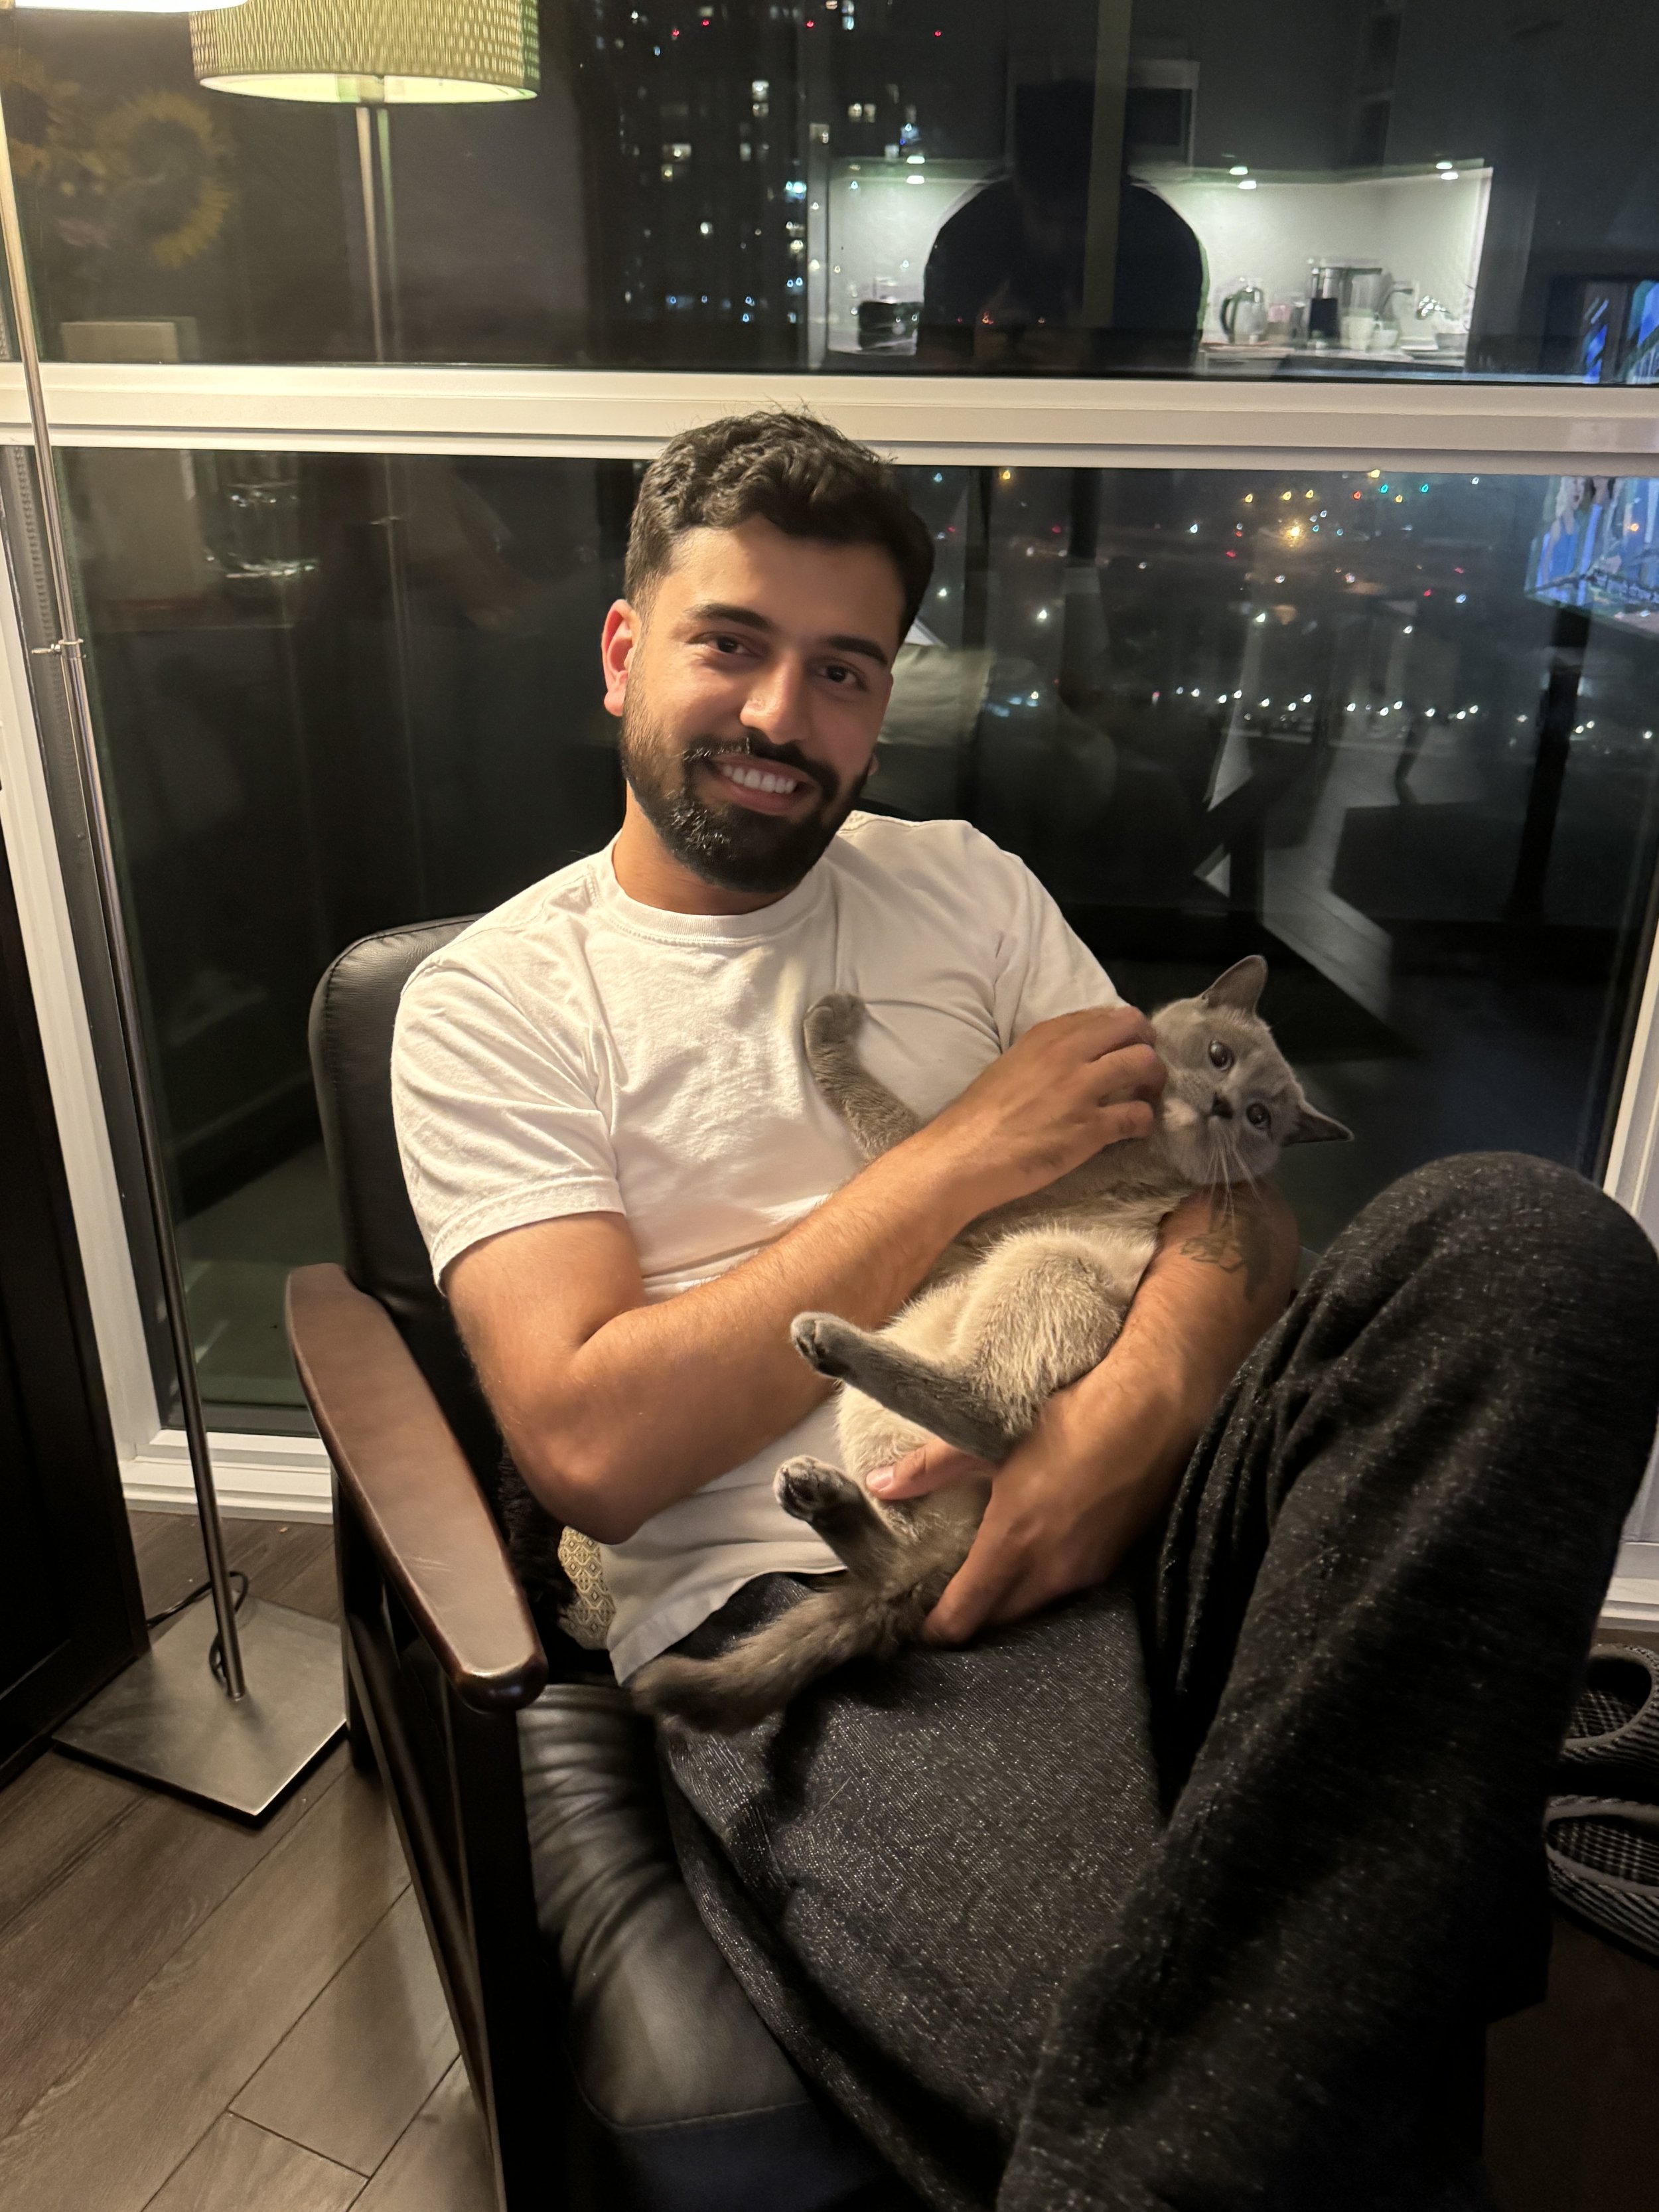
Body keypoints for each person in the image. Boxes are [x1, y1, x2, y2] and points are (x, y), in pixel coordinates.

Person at [391, 410, 1659, 2212]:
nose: (778, 720)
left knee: (1534, 1250)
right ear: (622, 653)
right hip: (854, 1581)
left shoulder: (966, 887)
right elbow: (589, 1443)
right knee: (1193, 2038)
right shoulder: (499, 1001)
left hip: (1138, 1495)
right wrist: (964, 1152)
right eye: (728, 645)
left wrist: (1116, 1436)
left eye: (840, 672)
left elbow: (1227, 1224)